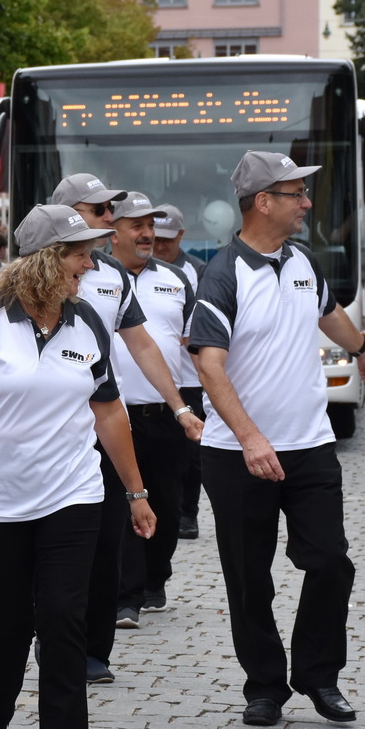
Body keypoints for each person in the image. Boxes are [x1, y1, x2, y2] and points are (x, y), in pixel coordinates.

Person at [0, 204, 154, 729]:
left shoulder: (88, 323)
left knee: (64, 621)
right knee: (8, 622)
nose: (91, 262)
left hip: (72, 496)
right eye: (79, 253)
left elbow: (108, 410)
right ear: (43, 261)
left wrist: (135, 492)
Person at [187, 151, 365, 728]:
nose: (306, 203)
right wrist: (251, 438)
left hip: (309, 445)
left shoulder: (303, 259)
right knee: (249, 577)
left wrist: (363, 350)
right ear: (263, 202)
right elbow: (210, 367)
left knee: (330, 561)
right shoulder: (222, 276)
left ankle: (318, 675)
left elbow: (328, 313)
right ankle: (264, 686)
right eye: (295, 194)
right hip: (238, 455)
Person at [49, 173, 202, 675]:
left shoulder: (112, 273)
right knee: (62, 542)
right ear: (69, 215)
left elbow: (141, 345)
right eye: (100, 211)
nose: (110, 219)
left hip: (107, 419)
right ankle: (52, 635)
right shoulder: (25, 277)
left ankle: (95, 648)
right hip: (55, 427)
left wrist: (179, 406)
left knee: (109, 533)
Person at [103, 193, 198, 619]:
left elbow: (197, 345)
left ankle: (156, 579)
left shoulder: (178, 279)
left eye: (150, 225)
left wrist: (193, 406)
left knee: (166, 500)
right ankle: (126, 595)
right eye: (137, 226)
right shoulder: (90, 277)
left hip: (165, 414)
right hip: (111, 415)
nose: (147, 234)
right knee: (122, 503)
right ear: (113, 232)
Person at [153, 202, 207, 540]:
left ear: (181, 236)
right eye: (155, 239)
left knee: (192, 454)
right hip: (151, 380)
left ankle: (189, 512)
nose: (159, 247)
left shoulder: (197, 271)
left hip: (188, 379)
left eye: (167, 241)